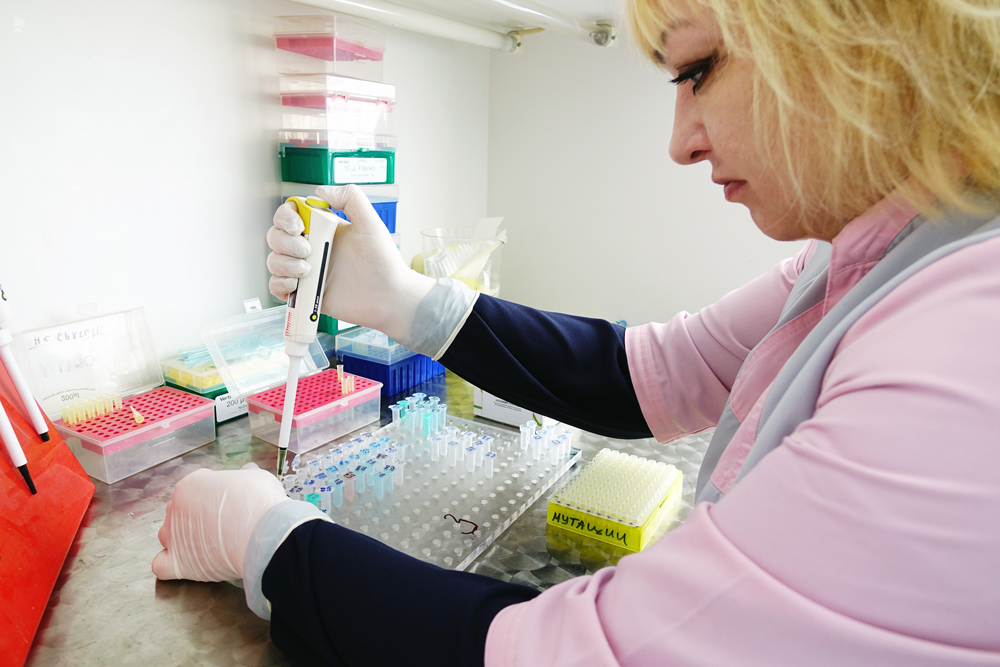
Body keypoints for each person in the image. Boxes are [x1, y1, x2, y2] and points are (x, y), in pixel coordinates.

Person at [153, 0, 1000, 664]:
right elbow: (652, 371)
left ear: (862, 35)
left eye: (698, 69)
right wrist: (404, 300)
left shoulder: (966, 337)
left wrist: (270, 544)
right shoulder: (882, 247)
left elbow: (570, 653)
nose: (680, 141)